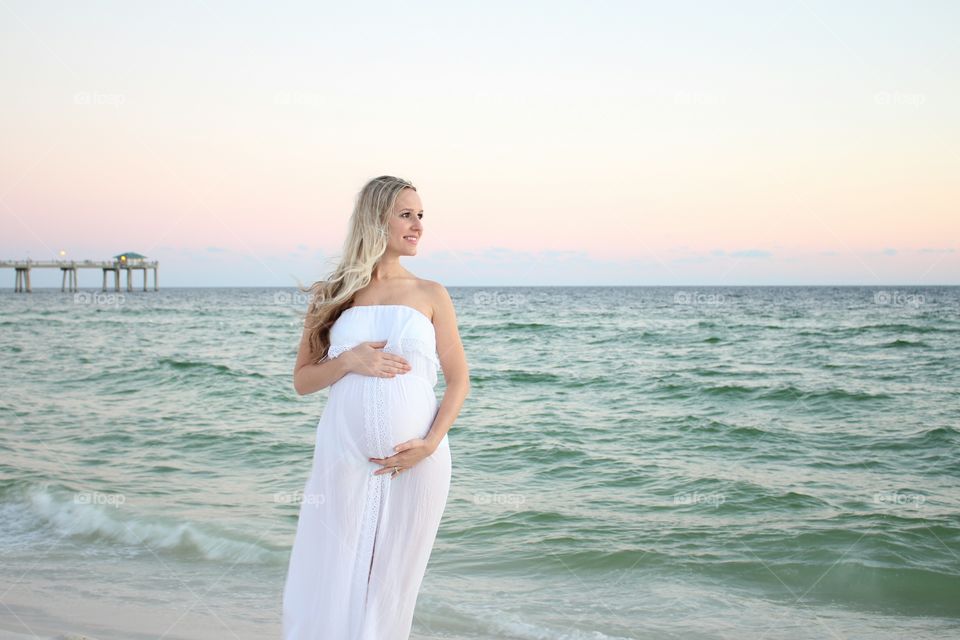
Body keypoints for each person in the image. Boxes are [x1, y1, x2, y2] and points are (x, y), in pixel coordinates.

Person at [282, 175, 470, 639]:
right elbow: (303, 381)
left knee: (391, 584)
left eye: (421, 215)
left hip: (417, 460)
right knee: (335, 569)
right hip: (345, 457)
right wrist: (348, 361)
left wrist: (429, 445)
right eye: (406, 215)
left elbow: (459, 380)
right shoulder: (334, 294)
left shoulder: (431, 294)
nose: (418, 226)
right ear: (375, 219)